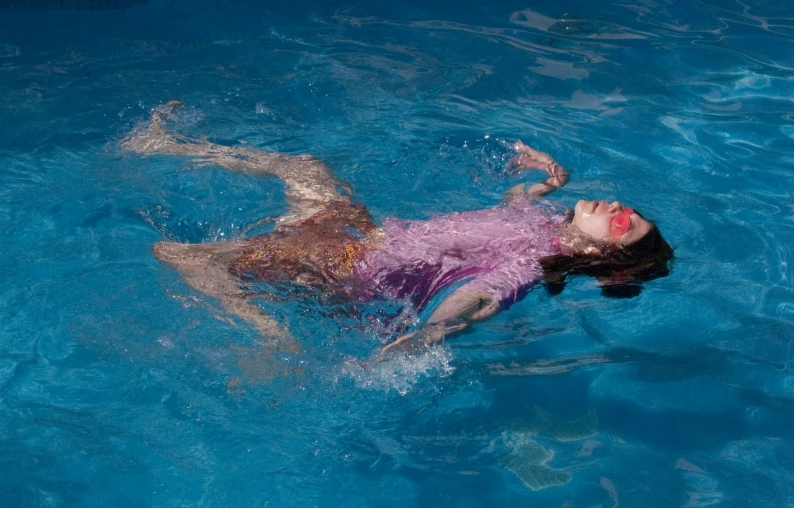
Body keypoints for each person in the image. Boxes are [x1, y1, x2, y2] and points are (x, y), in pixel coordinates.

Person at [123, 101, 673, 354]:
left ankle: (270, 339)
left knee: (184, 257)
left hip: (340, 267)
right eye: (626, 208)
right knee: (307, 167)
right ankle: (162, 145)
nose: (617, 205)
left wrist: (435, 332)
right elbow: (508, 207)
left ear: (603, 255)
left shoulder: (530, 264)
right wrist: (548, 184)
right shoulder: (542, 221)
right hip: (353, 234)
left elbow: (482, 298)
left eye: (622, 222)